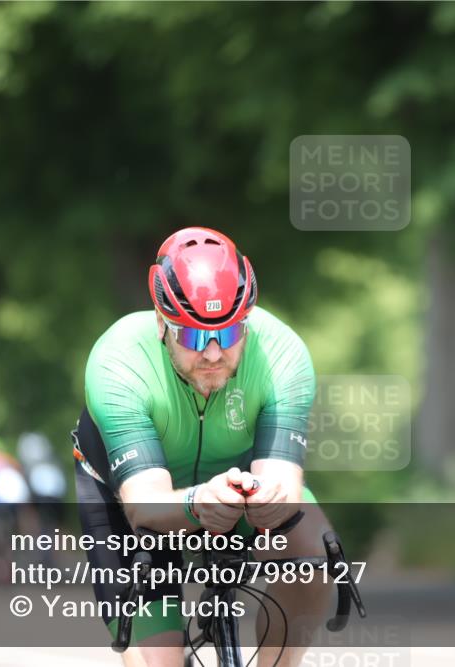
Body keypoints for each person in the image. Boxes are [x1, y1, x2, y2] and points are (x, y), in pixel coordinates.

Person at [72, 227, 331, 667]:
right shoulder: (117, 361)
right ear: (160, 323)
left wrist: (265, 500)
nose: (213, 354)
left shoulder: (281, 353)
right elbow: (144, 506)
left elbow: (282, 487)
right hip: (133, 498)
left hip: (233, 489)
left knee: (314, 550)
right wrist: (197, 503)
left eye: (229, 335)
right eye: (193, 338)